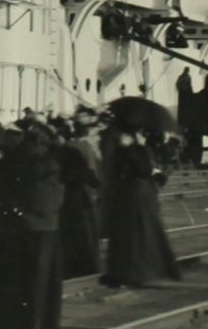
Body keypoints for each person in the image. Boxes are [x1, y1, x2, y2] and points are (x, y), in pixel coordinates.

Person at [0, 126, 65, 329]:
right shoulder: (50, 164)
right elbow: (52, 197)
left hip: (16, 226)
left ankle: (5, 324)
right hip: (45, 227)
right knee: (40, 282)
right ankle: (36, 326)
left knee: (11, 278)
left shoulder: (15, 161)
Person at [103, 127, 181, 287]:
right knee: (137, 232)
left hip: (136, 195)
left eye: (124, 134)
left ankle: (135, 272)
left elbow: (143, 169)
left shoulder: (135, 150)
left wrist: (131, 150)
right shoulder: (131, 150)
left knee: (135, 233)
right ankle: (132, 271)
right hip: (134, 195)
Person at [56, 117, 103, 279]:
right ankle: (85, 265)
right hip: (80, 195)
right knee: (84, 233)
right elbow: (92, 174)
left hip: (64, 197)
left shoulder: (68, 148)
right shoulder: (84, 148)